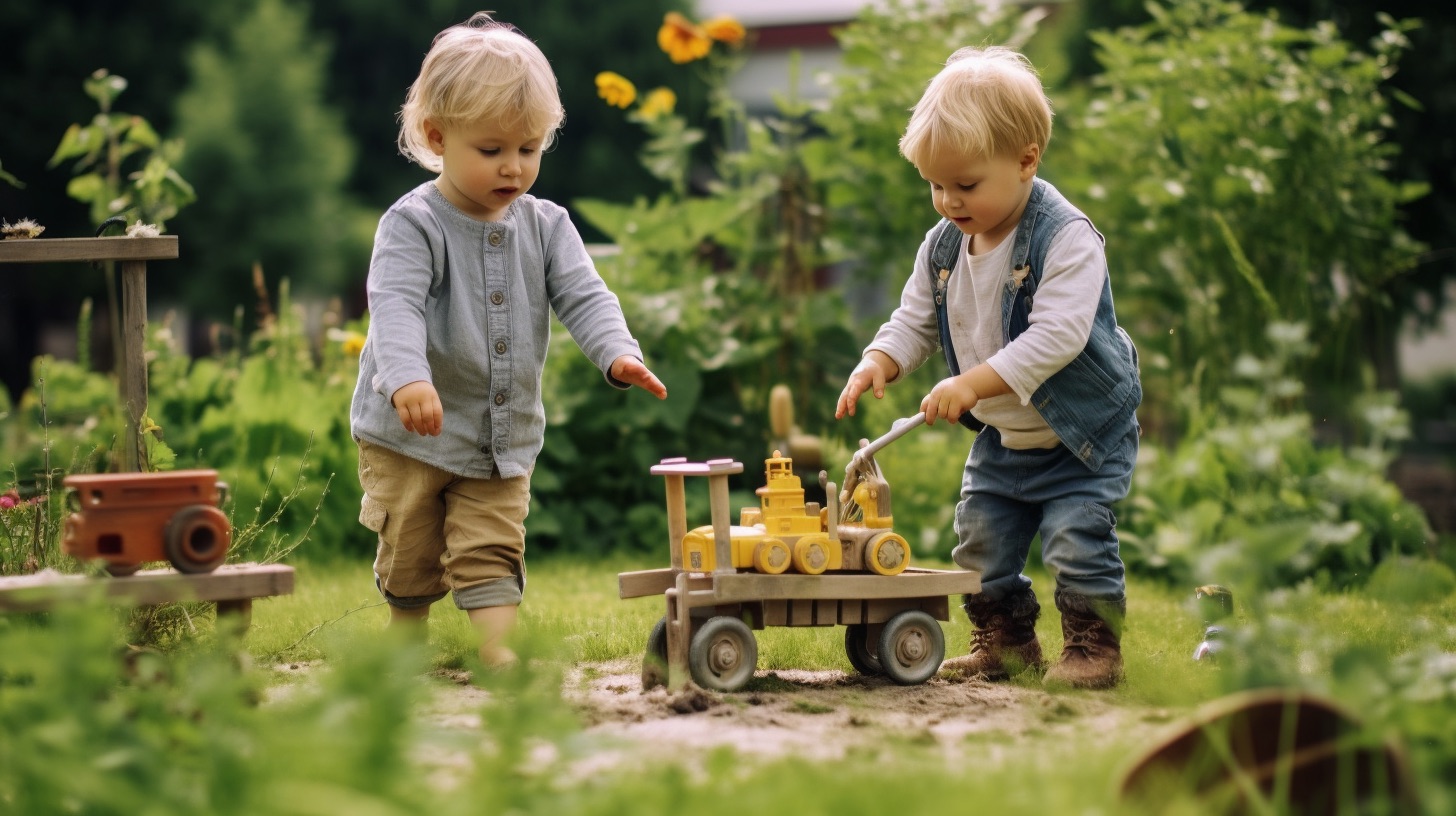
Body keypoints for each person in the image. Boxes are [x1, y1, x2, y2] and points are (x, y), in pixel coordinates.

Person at [350, 12, 667, 670]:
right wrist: (407, 377)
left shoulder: (547, 226)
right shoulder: (413, 224)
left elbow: (585, 294)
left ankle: (498, 649)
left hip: (501, 434)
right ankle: (405, 634)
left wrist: (618, 353)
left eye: (529, 149)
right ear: (438, 137)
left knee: (492, 541)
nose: (513, 167)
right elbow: (395, 304)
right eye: (491, 151)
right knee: (410, 544)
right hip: (412, 429)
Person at [835, 46, 1140, 689]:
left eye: (965, 185)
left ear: (1026, 160)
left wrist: (970, 384)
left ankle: (1093, 648)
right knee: (979, 538)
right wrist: (878, 359)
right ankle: (1005, 642)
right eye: (936, 185)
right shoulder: (944, 244)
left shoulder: (1066, 238)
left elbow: (1057, 335)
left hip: (1080, 433)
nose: (948, 200)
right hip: (1007, 435)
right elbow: (914, 319)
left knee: (1075, 537)